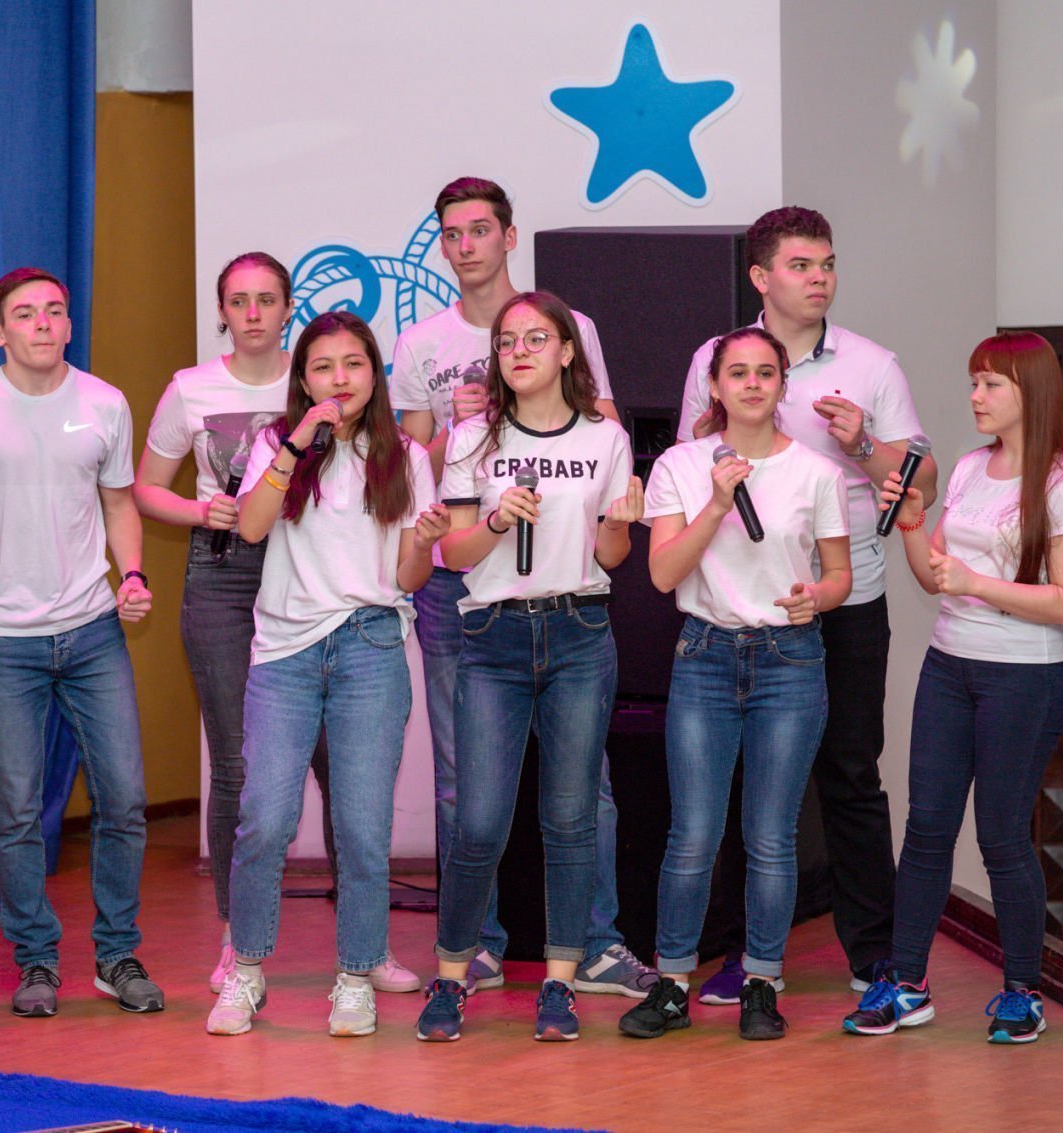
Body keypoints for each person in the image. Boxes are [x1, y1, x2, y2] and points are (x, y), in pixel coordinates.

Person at [392, 177, 651, 999]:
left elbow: (598, 437)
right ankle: (477, 947)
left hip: (570, 593)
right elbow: (415, 467)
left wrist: (611, 507)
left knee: (584, 789)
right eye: (451, 233)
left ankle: (595, 945)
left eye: (479, 229)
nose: (465, 245)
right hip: (467, 590)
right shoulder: (421, 344)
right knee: (466, 788)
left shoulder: (574, 330)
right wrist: (465, 426)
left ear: (508, 236)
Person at [675, 206, 939, 1004]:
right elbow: (690, 457)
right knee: (738, 786)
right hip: (743, 605)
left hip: (847, 595)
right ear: (761, 277)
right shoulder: (718, 358)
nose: (820, 277)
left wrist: (861, 443)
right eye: (801, 265)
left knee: (850, 774)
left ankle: (875, 957)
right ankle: (742, 957)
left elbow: (922, 481)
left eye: (827, 264)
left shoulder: (871, 364)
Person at [134, 254, 411, 996]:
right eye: (238, 301)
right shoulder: (194, 389)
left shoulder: (331, 381)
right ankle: (240, 940)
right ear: (222, 311)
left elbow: (397, 486)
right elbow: (146, 489)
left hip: (321, 574)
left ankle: (365, 943)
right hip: (229, 567)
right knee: (240, 768)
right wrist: (203, 510)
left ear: (289, 309)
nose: (253, 312)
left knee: (347, 775)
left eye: (267, 299)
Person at [843, 331, 1063, 1044]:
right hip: (950, 665)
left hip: (1025, 676)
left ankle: (1022, 991)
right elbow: (935, 578)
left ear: (1030, 392)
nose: (976, 396)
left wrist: (977, 582)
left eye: (991, 383)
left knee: (1001, 835)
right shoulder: (967, 469)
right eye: (974, 382)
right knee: (927, 827)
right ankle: (907, 984)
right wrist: (912, 525)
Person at [0, 267, 158, 1018]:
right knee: (15, 813)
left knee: (125, 800)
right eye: (26, 314)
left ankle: (116, 954)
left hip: (93, 631)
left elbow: (120, 503)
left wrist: (133, 573)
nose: (44, 323)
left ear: (68, 325)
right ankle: (37, 962)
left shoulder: (105, 403)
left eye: (55, 310)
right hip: (3, 640)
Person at [204, 311, 446, 1038]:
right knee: (263, 818)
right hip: (285, 651)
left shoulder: (405, 454)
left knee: (363, 827)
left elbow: (407, 576)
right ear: (303, 380)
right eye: (322, 366)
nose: (340, 378)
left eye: (353, 364)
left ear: (375, 372)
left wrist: (425, 545)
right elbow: (251, 527)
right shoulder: (277, 443)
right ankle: (246, 973)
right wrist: (295, 445)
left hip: (370, 642)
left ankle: (355, 977)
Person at [620, 328, 851, 1042]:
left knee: (771, 836)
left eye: (765, 373)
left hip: (789, 659)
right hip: (705, 655)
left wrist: (819, 596)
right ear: (715, 386)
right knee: (693, 833)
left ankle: (761, 982)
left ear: (783, 385)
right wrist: (717, 503)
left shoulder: (816, 472)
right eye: (738, 373)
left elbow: (840, 575)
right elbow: (663, 573)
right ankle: (672, 985)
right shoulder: (683, 466)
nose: (752, 384)